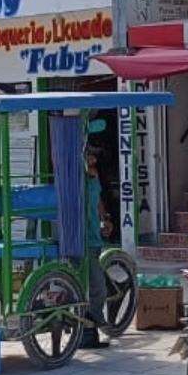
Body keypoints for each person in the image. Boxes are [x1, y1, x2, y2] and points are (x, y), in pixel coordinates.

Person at [80, 146, 111, 350]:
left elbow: (98, 200)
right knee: (97, 288)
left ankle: (91, 326)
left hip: (93, 236)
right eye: (90, 154)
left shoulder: (93, 175)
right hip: (83, 239)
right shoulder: (76, 176)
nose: (93, 158)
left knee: (95, 284)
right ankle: (92, 327)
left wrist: (105, 218)